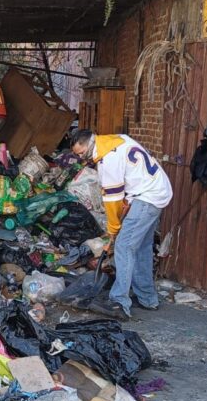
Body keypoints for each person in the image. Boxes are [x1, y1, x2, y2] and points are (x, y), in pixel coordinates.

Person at [71, 129, 173, 320]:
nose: (81, 158)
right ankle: (147, 298)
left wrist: (113, 229)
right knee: (141, 246)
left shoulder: (108, 161)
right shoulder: (117, 140)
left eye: (81, 153)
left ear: (89, 145)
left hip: (147, 197)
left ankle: (119, 301)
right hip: (158, 191)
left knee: (124, 247)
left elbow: (113, 201)